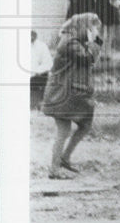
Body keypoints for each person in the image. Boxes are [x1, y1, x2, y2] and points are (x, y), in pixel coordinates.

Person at [42, 13, 103, 178]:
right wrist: (95, 41)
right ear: (84, 27)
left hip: (70, 92)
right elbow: (89, 59)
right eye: (93, 27)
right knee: (63, 130)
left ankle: (64, 158)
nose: (95, 30)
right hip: (61, 94)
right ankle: (54, 170)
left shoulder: (73, 40)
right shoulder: (69, 42)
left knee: (85, 125)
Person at [29, 30, 53, 110]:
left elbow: (48, 64)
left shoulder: (41, 46)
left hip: (36, 76)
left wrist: (36, 71)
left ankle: (37, 101)